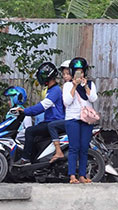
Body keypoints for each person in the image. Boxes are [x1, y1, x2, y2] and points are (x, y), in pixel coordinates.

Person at [17, 61, 66, 163]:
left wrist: (25, 111)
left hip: (54, 122)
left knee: (30, 131)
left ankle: (25, 159)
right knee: (35, 137)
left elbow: (42, 107)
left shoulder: (55, 91)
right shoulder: (51, 90)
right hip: (49, 121)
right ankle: (35, 162)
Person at [63, 56, 98, 184]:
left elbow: (93, 98)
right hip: (72, 119)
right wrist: (74, 86)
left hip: (86, 120)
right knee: (74, 147)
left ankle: (82, 175)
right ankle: (72, 176)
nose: (80, 74)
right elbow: (67, 101)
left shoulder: (90, 84)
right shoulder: (67, 85)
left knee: (84, 147)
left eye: (81, 71)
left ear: (85, 72)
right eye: (77, 71)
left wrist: (85, 87)